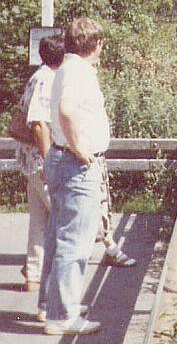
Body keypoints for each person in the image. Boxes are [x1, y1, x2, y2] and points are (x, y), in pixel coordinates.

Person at [38, 17, 108, 335]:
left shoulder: (68, 69)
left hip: (61, 159)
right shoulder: (78, 71)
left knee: (58, 237)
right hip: (75, 164)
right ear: (96, 44)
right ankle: (62, 316)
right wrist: (80, 148)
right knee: (75, 243)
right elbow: (66, 110)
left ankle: (51, 305)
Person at [16, 35, 65, 292]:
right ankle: (57, 286)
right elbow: (38, 123)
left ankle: (33, 275)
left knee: (39, 221)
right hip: (40, 161)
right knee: (64, 217)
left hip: (31, 161)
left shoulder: (39, 76)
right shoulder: (46, 80)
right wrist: (49, 163)